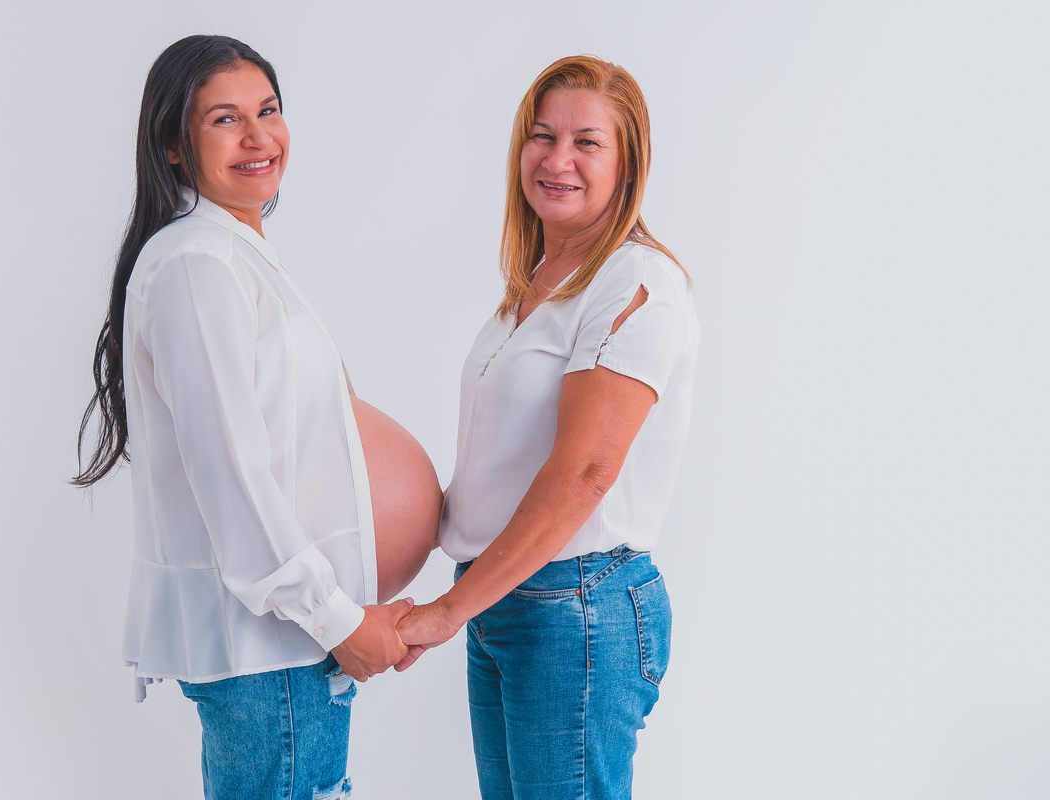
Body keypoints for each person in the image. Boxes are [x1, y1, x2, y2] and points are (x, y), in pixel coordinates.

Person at [71, 35, 440, 800]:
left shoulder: (229, 253)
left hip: (290, 652)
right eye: (224, 120)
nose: (258, 137)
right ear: (173, 145)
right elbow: (231, 476)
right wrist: (338, 620)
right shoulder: (196, 266)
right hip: (275, 653)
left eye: (268, 111)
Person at [396, 55, 701, 800]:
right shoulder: (536, 286)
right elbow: (498, 464)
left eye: (586, 142)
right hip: (503, 598)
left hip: (576, 607)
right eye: (542, 136)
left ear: (628, 164)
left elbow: (585, 475)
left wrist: (445, 614)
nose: (557, 159)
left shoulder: (635, 284)